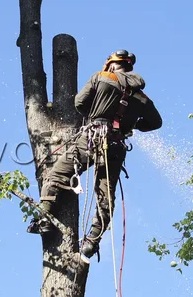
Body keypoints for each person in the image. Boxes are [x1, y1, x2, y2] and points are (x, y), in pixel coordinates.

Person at [27, 50, 162, 259]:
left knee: (56, 174)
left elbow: (80, 103)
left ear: (111, 64)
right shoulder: (142, 97)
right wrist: (131, 124)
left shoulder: (101, 76)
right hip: (116, 145)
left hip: (92, 137)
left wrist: (98, 112)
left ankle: (44, 218)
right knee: (105, 196)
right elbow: (155, 123)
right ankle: (92, 241)